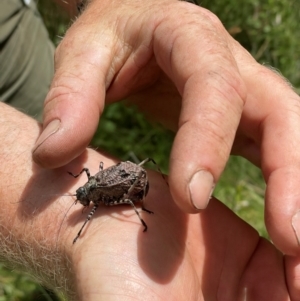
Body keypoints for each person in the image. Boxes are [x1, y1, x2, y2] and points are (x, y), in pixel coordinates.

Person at [1, 0, 300, 299]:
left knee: (50, 131)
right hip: (125, 178)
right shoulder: (92, 193)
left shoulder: (98, 193)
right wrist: (71, 233)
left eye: (81, 192)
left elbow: (102, 191)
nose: (81, 198)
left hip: (129, 179)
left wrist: (111, 7)